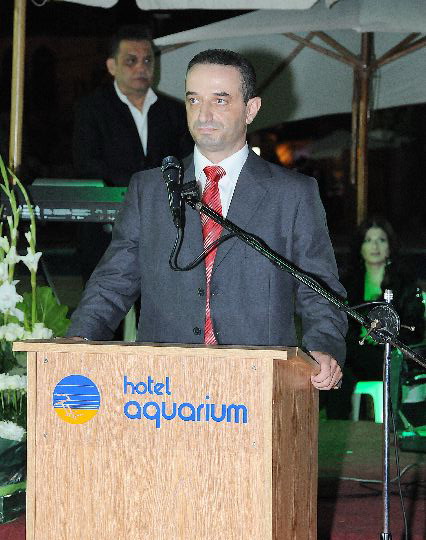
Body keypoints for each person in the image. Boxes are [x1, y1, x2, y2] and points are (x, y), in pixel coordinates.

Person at [67, 48, 348, 391]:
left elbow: (320, 289)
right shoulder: (150, 189)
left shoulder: (292, 194)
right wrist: (77, 341)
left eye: (220, 100)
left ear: (251, 109)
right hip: (162, 390)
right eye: (194, 100)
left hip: (257, 386)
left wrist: (324, 347)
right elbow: (112, 282)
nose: (204, 114)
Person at [72, 24, 192, 283]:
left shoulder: (174, 111)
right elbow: (86, 163)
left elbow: (188, 161)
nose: (141, 67)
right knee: (104, 300)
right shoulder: (91, 109)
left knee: (158, 302)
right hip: (106, 229)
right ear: (112, 66)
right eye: (131, 61)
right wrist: (140, 187)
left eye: (147, 60)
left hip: (162, 227)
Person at [325, 217, 425, 418]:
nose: (375, 246)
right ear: (360, 247)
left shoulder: (404, 283)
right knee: (337, 365)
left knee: (345, 362)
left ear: (390, 246)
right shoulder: (347, 284)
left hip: (390, 355)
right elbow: (338, 324)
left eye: (381, 240)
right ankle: (337, 425)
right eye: (368, 240)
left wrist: (384, 334)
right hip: (355, 355)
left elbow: (415, 328)